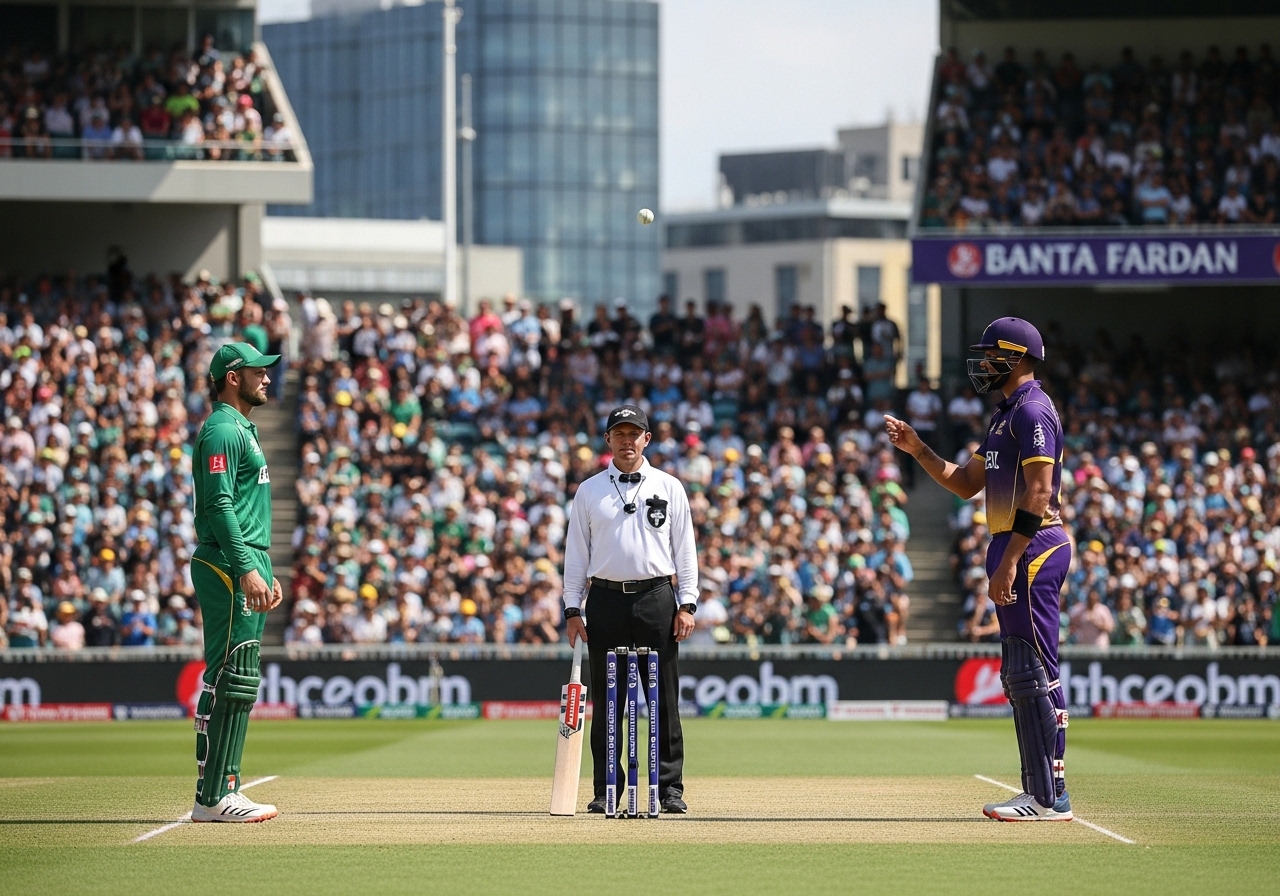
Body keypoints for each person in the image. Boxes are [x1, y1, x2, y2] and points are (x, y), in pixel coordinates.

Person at [885, 317, 1073, 822]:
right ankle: (1046, 792)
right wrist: (917, 449)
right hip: (1015, 544)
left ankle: (1046, 796)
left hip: (1031, 546)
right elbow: (967, 483)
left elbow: (1038, 492)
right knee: (1021, 670)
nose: (983, 365)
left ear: (1017, 358)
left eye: (991, 356)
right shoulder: (1004, 416)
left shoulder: (1031, 410)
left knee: (1034, 671)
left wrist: (1010, 561)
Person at [563, 405, 698, 815]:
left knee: (664, 699)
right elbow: (576, 553)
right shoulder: (588, 490)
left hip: (657, 597)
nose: (626, 441)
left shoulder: (670, 486)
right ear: (607, 440)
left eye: (633, 433)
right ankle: (607, 788)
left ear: (647, 439)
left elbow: (685, 548)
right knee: (608, 700)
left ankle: (669, 787)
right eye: (619, 434)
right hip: (604, 600)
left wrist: (687, 602)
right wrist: (573, 607)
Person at [189, 342, 283, 823]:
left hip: (244, 558)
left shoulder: (241, 429)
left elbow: (244, 508)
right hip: (226, 562)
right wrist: (247, 565)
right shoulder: (222, 430)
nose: (266, 378)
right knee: (230, 674)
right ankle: (214, 796)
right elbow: (218, 505)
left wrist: (262, 566)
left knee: (242, 676)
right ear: (232, 376)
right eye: (257, 371)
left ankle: (227, 788)